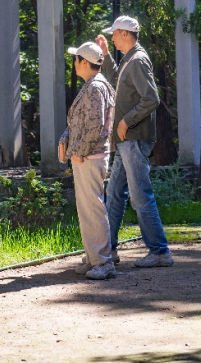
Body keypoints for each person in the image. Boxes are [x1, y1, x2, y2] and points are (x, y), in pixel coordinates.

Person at [96, 15, 174, 268]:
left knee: (140, 196)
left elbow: (151, 98)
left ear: (126, 34)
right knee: (115, 194)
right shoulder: (130, 58)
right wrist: (106, 55)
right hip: (125, 141)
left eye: (115, 35)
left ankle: (160, 252)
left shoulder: (138, 60)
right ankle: (107, 250)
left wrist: (126, 120)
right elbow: (119, 81)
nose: (112, 38)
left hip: (134, 139)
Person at [58, 41, 117, 280]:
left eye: (76, 59)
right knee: (88, 209)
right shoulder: (95, 85)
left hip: (89, 157)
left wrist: (79, 151)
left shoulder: (95, 87)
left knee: (93, 209)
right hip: (89, 156)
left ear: (84, 62)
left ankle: (103, 261)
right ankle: (94, 258)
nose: (73, 63)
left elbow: (95, 126)